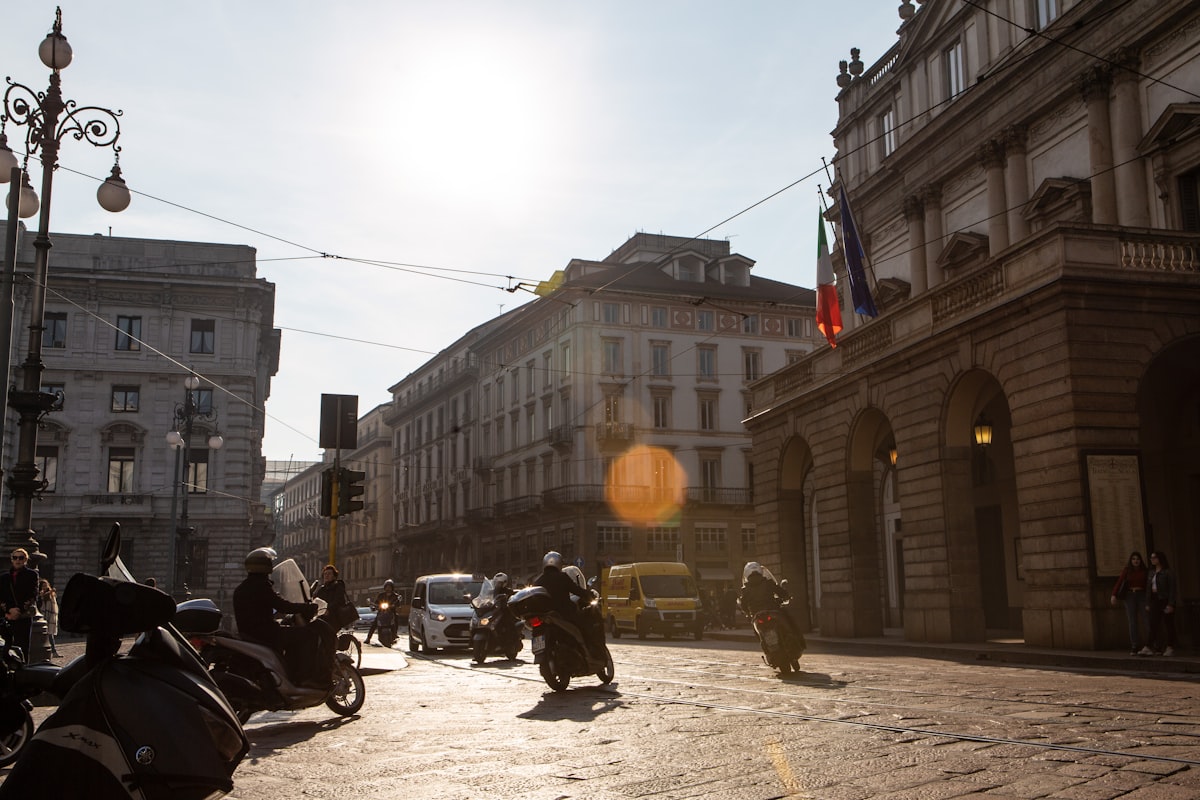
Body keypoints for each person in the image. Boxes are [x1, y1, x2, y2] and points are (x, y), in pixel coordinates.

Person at [233, 547, 332, 688]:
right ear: (264, 567)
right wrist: (306, 607)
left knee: (292, 636)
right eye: (269, 563)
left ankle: (288, 672)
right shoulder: (261, 586)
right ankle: (303, 677)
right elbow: (282, 606)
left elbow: (262, 608)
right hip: (266, 633)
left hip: (250, 633)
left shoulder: (242, 588)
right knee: (308, 635)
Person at [0, 548, 39, 657]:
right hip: (7, 616)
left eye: (21, 558)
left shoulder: (32, 575)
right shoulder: (4, 577)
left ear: (25, 560)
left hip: (23, 617)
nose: (18, 560)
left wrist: (19, 611)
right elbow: (1, 596)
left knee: (23, 647)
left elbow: (33, 594)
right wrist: (9, 610)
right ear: (12, 559)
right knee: (6, 647)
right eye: (15, 557)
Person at [1110, 551, 1148, 655]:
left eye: (1138, 559)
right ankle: (1135, 645)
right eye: (1133, 559)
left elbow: (1148, 585)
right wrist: (1114, 595)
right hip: (1130, 596)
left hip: (1142, 595)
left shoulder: (1144, 571)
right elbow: (1119, 582)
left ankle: (1151, 643)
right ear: (1130, 561)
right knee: (1132, 621)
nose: (1136, 561)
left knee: (1146, 620)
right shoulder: (1127, 570)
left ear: (1140, 560)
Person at [1144, 551, 1178, 657]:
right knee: (1153, 623)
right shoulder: (1151, 572)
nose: (1152, 559)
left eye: (1154, 557)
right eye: (1151, 558)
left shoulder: (1168, 572)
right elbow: (1148, 589)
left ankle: (1170, 647)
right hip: (1155, 600)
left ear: (1160, 559)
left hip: (1165, 599)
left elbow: (1172, 589)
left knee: (1169, 624)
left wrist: (1171, 604)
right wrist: (1148, 603)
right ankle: (1148, 647)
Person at [311, 564, 354, 629]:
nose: (326, 575)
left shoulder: (338, 586)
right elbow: (315, 599)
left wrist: (328, 609)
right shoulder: (322, 589)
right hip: (323, 616)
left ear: (334, 576)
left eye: (329, 574)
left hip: (335, 617)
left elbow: (338, 601)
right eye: (325, 574)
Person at [365, 579, 401, 644]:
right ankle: (368, 638)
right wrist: (374, 606)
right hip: (381, 612)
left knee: (396, 618)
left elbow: (398, 603)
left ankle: (395, 634)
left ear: (392, 587)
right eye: (387, 587)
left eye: (389, 587)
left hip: (391, 612)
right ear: (385, 587)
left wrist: (395, 605)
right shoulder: (381, 595)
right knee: (374, 623)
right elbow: (376, 602)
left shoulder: (395, 596)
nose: (388, 588)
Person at [37, 579, 60, 659]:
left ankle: (53, 652)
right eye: (43, 586)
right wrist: (50, 592)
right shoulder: (41, 594)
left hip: (51, 616)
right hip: (44, 615)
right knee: (46, 635)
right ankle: (50, 652)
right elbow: (43, 597)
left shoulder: (51, 594)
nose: (44, 587)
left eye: (45, 585)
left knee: (50, 634)